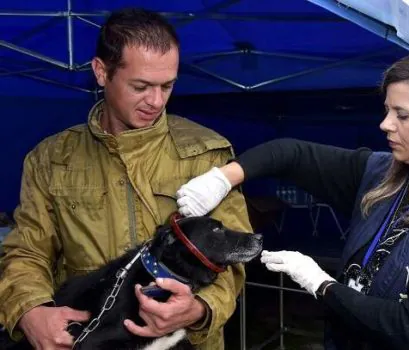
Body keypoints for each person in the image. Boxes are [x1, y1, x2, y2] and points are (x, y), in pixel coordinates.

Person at [175, 49, 409, 349]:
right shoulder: (381, 174)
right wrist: (222, 178)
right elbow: (290, 153)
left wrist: (322, 285)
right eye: (387, 110)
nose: (385, 124)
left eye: (402, 115)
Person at [0, 8, 252, 350]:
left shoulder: (206, 156)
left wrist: (199, 309)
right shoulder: (52, 159)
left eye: (167, 86)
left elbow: (233, 255)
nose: (156, 101)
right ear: (101, 72)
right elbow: (28, 251)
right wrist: (30, 310)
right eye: (141, 86)